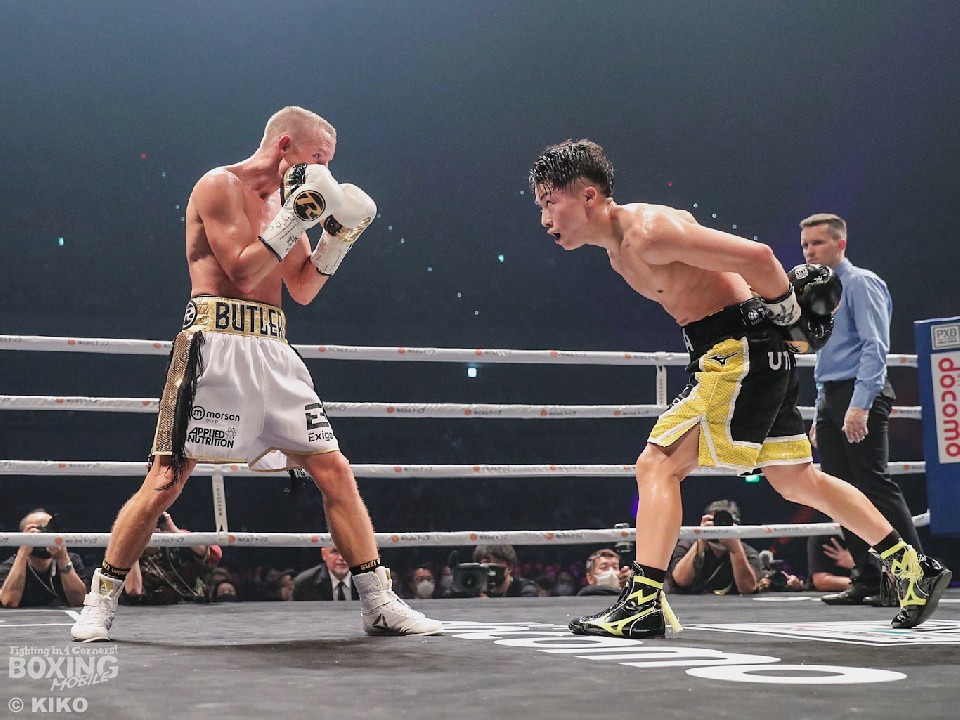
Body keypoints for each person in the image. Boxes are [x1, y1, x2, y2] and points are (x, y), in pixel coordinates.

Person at [529, 139, 951, 638]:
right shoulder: (619, 252)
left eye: (550, 202)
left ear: (588, 195)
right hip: (743, 351)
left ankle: (642, 602)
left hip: (738, 352)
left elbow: (757, 256)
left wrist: (789, 315)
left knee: (657, 464)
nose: (545, 218)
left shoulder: (648, 231)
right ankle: (913, 567)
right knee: (797, 480)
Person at [71, 106, 441, 641]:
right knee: (166, 480)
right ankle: (99, 601)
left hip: (274, 349)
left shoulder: (288, 203)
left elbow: (303, 288)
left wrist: (337, 238)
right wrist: (298, 215)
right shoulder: (219, 186)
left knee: (335, 470)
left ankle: (377, 602)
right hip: (214, 345)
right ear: (285, 145)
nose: (325, 171)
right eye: (319, 158)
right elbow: (243, 271)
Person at [799, 213, 923, 606]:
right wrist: (821, 410)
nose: (809, 251)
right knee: (839, 492)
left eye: (817, 243)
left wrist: (860, 404)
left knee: (874, 484)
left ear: (840, 244)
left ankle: (915, 576)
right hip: (832, 396)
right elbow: (826, 358)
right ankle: (868, 578)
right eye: (805, 245)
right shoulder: (818, 293)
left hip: (860, 391)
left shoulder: (861, 282)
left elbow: (875, 346)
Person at [121, 511, 222, 605]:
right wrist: (133, 548)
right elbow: (133, 591)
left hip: (197, 605)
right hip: (158, 611)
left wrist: (174, 531)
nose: (154, 530)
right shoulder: (128, 554)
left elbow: (215, 555)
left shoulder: (179, 538)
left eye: (156, 524)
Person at [666, 501, 762, 595]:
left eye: (725, 523)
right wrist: (701, 538)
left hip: (733, 605)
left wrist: (735, 550)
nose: (719, 528)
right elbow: (681, 580)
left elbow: (748, 589)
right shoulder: (686, 546)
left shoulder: (748, 553)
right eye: (714, 522)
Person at [0, 510, 87, 608]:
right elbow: (9, 602)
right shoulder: (9, 566)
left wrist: (62, 559)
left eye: (49, 530)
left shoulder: (71, 560)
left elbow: (79, 601)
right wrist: (23, 551)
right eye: (38, 530)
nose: (44, 536)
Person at [291, 546, 359, 601]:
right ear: (324, 554)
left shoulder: (365, 578)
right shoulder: (304, 584)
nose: (342, 558)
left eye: (347, 551)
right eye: (335, 552)